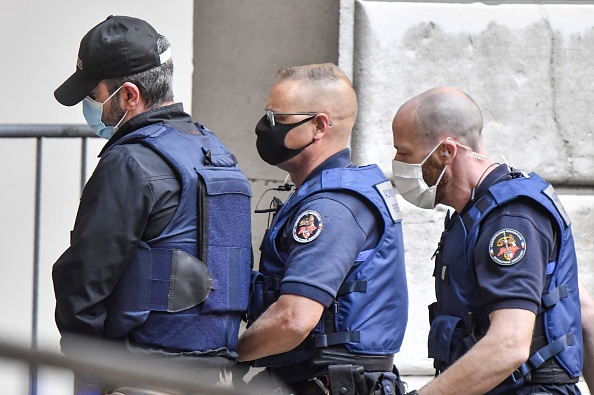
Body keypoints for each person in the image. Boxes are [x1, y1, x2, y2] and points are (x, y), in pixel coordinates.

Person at [52, 15, 252, 394]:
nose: (90, 107)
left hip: (143, 376)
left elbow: (84, 283)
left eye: (93, 96)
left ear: (128, 95)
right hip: (220, 375)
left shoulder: (129, 162)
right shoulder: (215, 153)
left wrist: (90, 375)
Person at [391, 86, 585, 394]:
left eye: (404, 153)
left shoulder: (509, 219)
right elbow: (580, 307)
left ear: (446, 151)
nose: (398, 163)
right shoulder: (476, 214)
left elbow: (509, 345)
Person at [236, 63, 409, 395]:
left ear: (319, 126)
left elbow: (294, 320)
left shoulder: (332, 207)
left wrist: (230, 355)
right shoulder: (322, 193)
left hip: (329, 383)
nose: (263, 128)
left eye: (277, 119)